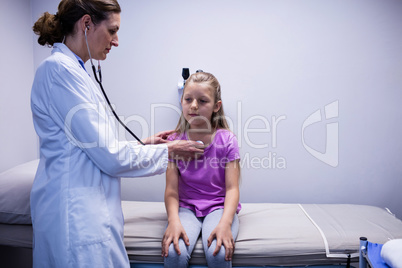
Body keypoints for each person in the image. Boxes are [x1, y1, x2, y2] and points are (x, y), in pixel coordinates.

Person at [30, 0, 203, 267]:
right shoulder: (58, 72)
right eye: (112, 31)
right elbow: (108, 155)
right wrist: (168, 151)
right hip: (75, 217)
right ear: (86, 23)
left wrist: (145, 144)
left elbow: (93, 145)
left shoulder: (75, 72)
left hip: (89, 209)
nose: (117, 41)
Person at [161, 71, 241, 268]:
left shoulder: (227, 140)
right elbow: (171, 191)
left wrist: (225, 224)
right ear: (182, 101)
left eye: (202, 101)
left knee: (219, 253)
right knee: (173, 253)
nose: (194, 105)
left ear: (216, 106)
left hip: (218, 207)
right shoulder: (174, 143)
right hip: (186, 208)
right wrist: (174, 221)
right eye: (188, 99)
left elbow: (232, 189)